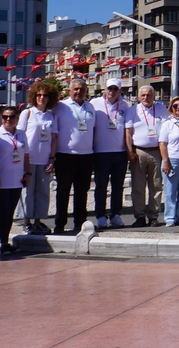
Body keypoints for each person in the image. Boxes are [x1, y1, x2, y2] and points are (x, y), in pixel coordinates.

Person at [53, 78, 95, 235]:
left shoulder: (90, 107)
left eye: (82, 89)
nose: (79, 92)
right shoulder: (60, 107)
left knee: (82, 191)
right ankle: (60, 224)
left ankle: (80, 223)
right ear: (70, 90)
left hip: (86, 155)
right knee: (63, 191)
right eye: (76, 89)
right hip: (65, 155)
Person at [17, 81, 58, 235]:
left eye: (45, 95)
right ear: (34, 96)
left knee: (42, 192)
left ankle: (38, 221)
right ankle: (26, 221)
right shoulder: (27, 113)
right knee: (27, 192)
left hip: (44, 159)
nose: (42, 98)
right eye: (39, 95)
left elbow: (54, 139)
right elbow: (20, 136)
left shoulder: (51, 116)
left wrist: (52, 158)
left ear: (49, 98)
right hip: (29, 159)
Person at [0, 106, 30, 255]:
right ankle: (3, 242)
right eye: (5, 116)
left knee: (10, 212)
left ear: (17, 118)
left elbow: (25, 155)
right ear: (1, 118)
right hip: (0, 181)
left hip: (17, 180)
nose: (8, 119)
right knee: (4, 212)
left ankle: (6, 241)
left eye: (12, 116)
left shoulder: (21, 135)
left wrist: (28, 173)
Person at [125, 84, 167, 227]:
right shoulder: (133, 111)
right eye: (143, 95)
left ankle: (153, 216)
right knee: (138, 186)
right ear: (138, 97)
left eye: (149, 95)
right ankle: (140, 216)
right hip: (139, 151)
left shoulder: (162, 109)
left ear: (154, 96)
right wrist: (129, 151)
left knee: (156, 186)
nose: (146, 97)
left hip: (157, 151)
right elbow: (128, 133)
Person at [92, 79, 129, 229]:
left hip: (120, 152)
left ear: (119, 90)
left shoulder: (126, 105)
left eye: (115, 89)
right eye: (109, 88)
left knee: (118, 186)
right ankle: (101, 215)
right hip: (101, 152)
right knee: (101, 186)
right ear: (105, 89)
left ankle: (115, 214)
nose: (112, 91)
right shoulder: (94, 104)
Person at [158, 97, 179, 227]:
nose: (178, 108)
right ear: (171, 108)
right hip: (171, 159)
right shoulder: (167, 124)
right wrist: (165, 161)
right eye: (175, 106)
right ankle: (170, 217)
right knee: (170, 191)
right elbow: (162, 144)